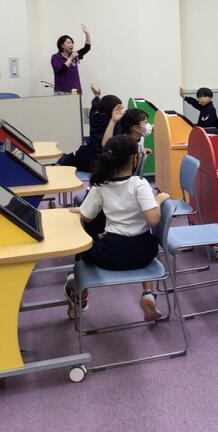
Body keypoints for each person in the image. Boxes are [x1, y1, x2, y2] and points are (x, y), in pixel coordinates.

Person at [67, 135, 171, 321]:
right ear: (135, 159)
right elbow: (153, 220)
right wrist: (158, 200)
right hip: (144, 254)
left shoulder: (101, 185)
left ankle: (79, 292)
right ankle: (148, 293)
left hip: (111, 255)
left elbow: (87, 216)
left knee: (84, 245)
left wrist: (79, 210)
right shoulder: (140, 184)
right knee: (147, 238)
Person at [58, 85, 120, 172]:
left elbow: (95, 106)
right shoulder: (115, 123)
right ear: (113, 111)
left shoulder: (94, 117)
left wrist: (97, 95)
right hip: (103, 159)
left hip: (87, 155)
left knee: (65, 160)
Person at [51, 25, 92, 94]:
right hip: (62, 90)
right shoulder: (55, 57)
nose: (71, 45)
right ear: (62, 45)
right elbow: (61, 71)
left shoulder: (74, 55)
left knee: (76, 101)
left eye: (72, 43)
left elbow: (86, 48)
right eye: (68, 43)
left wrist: (87, 34)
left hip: (75, 91)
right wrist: (71, 58)